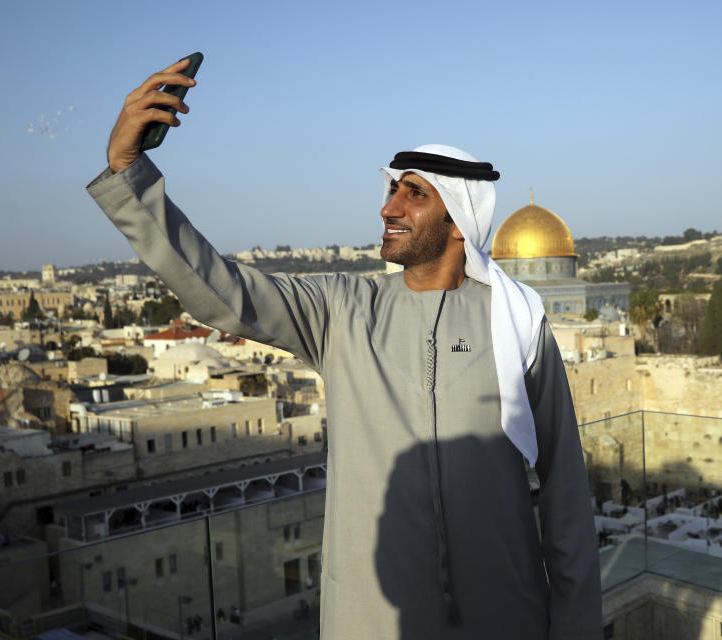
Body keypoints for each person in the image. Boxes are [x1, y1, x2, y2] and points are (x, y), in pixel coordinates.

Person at [87, 59, 602, 639]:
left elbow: (564, 492)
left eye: (413, 194)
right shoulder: (342, 311)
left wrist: (577, 626)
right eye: (390, 190)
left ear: (459, 218)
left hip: (504, 616)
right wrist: (128, 173)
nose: (389, 208)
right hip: (371, 621)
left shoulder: (518, 323)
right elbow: (221, 293)